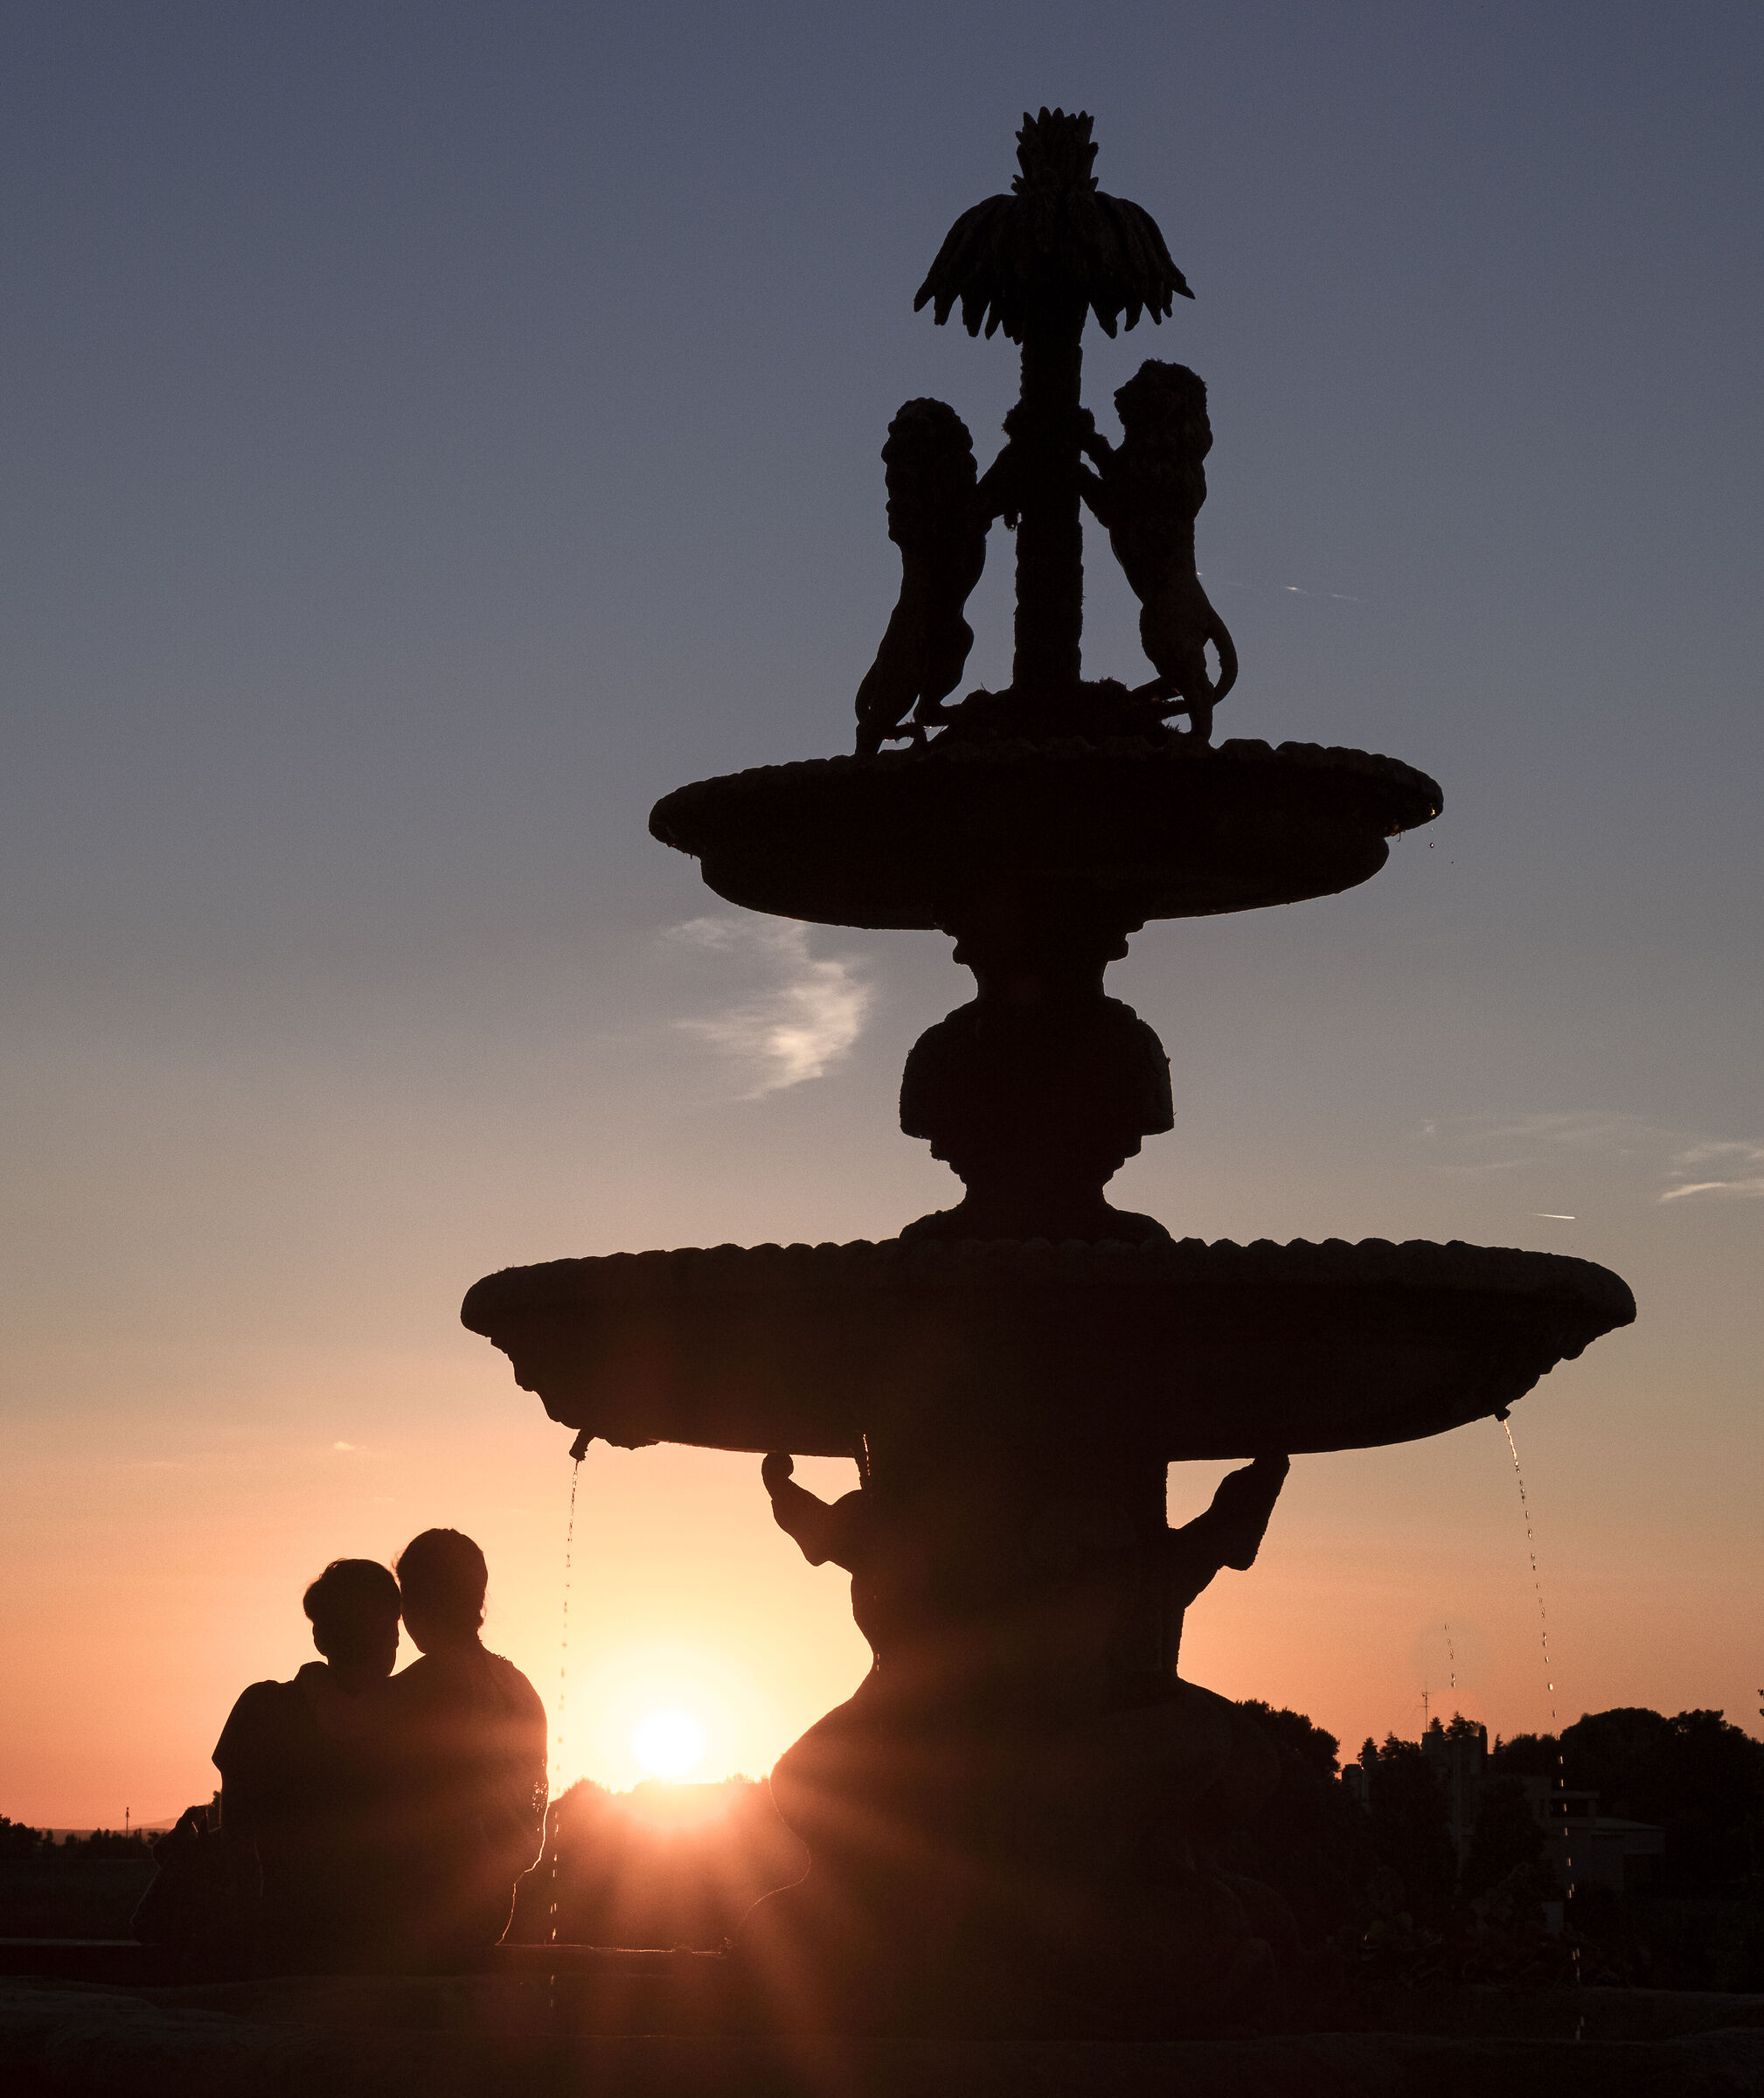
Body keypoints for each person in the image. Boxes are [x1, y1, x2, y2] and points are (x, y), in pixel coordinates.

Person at [211, 1558, 406, 1972]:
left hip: (286, 1937)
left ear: (319, 1637)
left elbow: (237, 1837)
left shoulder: (262, 1709)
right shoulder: (421, 1720)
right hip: (383, 1943)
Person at [386, 1528, 548, 1964]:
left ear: (419, 1602)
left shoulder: (413, 1690)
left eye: (406, 1597)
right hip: (490, 1911)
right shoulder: (518, 1687)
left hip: (414, 1916)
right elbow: (530, 1814)